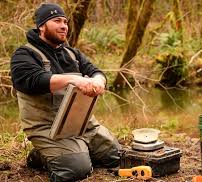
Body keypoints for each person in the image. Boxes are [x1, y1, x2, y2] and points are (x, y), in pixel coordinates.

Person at [10, 3, 121, 182]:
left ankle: (68, 150)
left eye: (65, 22)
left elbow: (96, 71)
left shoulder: (72, 53)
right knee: (77, 169)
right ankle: (43, 155)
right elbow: (34, 80)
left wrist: (99, 81)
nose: (63, 26)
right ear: (41, 26)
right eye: (56, 21)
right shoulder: (24, 55)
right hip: (47, 128)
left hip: (82, 125)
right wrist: (74, 79)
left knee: (116, 155)